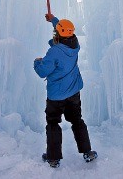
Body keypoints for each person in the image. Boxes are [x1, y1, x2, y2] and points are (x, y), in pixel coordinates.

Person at [34, 13, 97, 168]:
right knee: (77, 120)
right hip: (74, 92)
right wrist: (54, 20)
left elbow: (43, 71)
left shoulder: (54, 52)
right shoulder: (75, 45)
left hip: (56, 96)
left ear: (58, 34)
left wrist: (37, 62)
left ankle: (53, 158)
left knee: (53, 123)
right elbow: (62, 31)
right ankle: (87, 151)